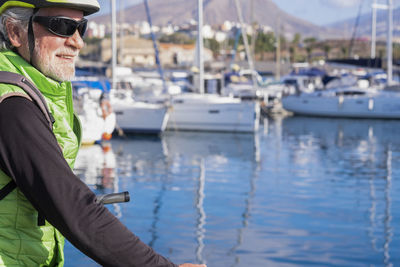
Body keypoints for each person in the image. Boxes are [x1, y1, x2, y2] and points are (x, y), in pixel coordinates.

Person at [0, 1, 206, 266]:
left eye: (81, 28)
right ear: (15, 33)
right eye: (62, 26)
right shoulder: (13, 106)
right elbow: (72, 206)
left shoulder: (31, 94)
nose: (77, 42)